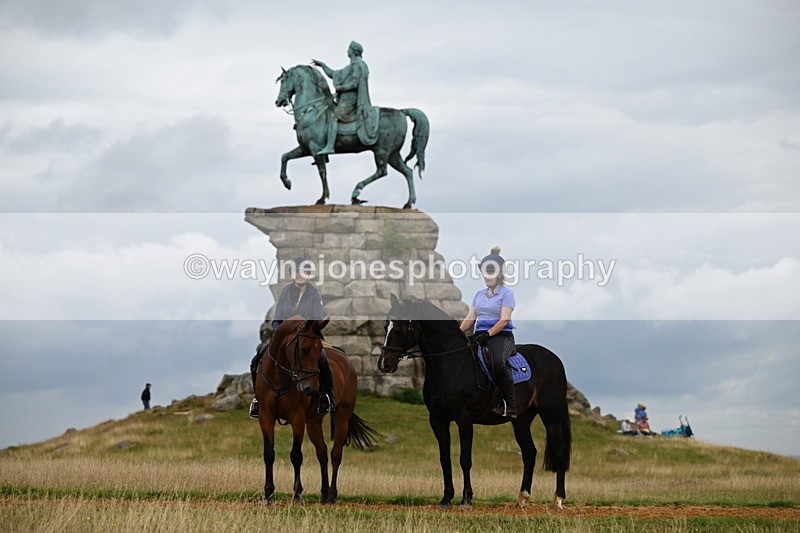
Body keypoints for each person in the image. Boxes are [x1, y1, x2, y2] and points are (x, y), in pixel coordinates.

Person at [249, 258, 334, 418]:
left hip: (306, 336)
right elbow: (277, 318)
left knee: (322, 360)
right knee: (256, 359)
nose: (300, 275)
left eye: (303, 272)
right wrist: (277, 331)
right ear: (292, 275)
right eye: (297, 272)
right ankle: (258, 399)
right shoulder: (286, 292)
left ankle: (327, 397)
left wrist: (309, 329)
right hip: (283, 337)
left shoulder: (314, 294)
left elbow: (317, 317)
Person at [459, 246, 517, 418]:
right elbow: (471, 318)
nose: (487, 277)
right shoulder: (479, 294)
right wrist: (457, 333)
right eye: (485, 273)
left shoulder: (507, 293)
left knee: (498, 362)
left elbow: (504, 319)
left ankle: (511, 404)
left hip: (501, 336)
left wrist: (488, 334)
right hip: (480, 335)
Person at [311, 40, 379, 155]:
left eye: (349, 49)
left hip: (351, 101)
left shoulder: (358, 65)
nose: (347, 50)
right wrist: (322, 65)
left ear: (353, 51)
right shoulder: (351, 66)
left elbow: (355, 83)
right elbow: (334, 74)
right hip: (345, 100)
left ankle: (330, 146)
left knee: (333, 116)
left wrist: (340, 89)